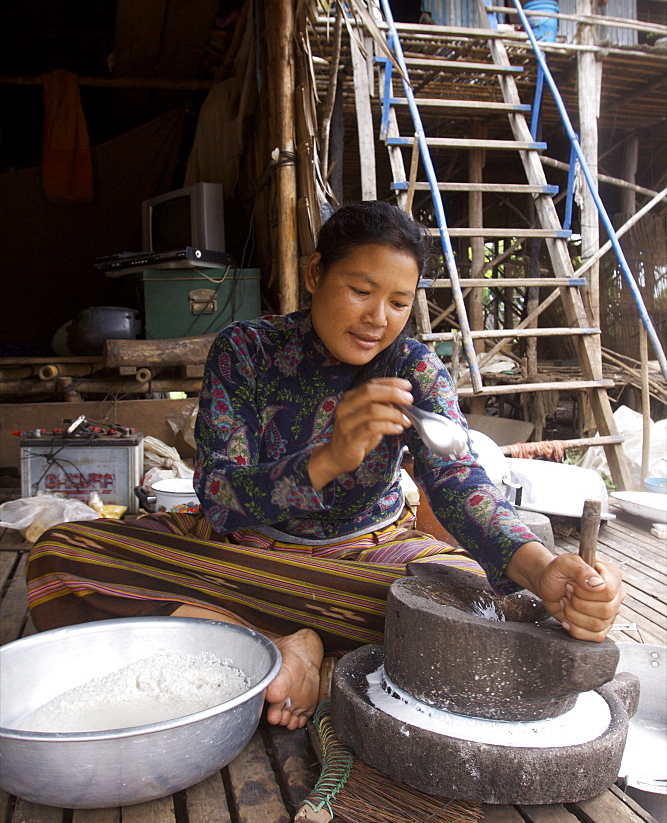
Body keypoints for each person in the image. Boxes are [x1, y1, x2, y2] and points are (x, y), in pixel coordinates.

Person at [26, 201, 625, 732]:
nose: (377, 318)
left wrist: (543, 567)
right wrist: (327, 459)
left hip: (367, 554)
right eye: (361, 291)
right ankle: (296, 644)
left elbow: (458, 479)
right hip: (238, 549)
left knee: (472, 599)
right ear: (316, 274)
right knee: (58, 555)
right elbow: (217, 496)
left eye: (398, 302)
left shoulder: (414, 369)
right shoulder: (246, 352)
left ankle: (247, 641)